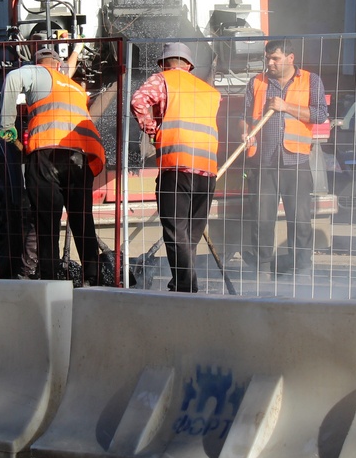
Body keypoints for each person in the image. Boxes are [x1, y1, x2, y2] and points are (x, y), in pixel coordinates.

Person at [0, 47, 105, 285]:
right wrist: (76, 50)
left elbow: (13, 78)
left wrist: (7, 123)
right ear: (58, 66)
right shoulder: (72, 86)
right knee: (82, 218)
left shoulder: (37, 73)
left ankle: (51, 279)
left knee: (47, 219)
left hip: (48, 152)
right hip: (81, 155)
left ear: (38, 64)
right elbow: (69, 67)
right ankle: (92, 277)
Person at [130, 42, 221, 293]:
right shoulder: (208, 91)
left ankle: (185, 287)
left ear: (163, 63)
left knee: (175, 230)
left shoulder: (164, 80)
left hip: (176, 166)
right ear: (189, 65)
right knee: (190, 233)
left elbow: (138, 101)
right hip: (207, 170)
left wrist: (152, 130)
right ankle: (183, 282)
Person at [238, 39, 329, 276]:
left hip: (295, 161)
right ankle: (263, 268)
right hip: (262, 160)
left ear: (290, 58)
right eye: (268, 58)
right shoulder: (257, 82)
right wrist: (245, 131)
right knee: (262, 219)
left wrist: (285, 107)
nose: (270, 63)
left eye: (275, 58)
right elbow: (244, 115)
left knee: (299, 219)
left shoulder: (311, 80)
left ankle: (301, 267)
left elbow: (319, 114)